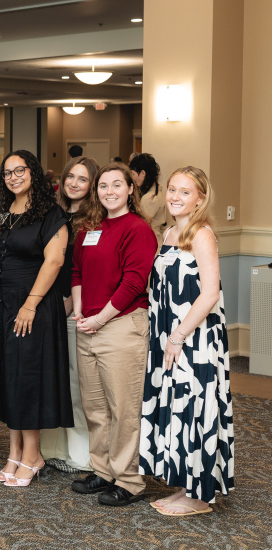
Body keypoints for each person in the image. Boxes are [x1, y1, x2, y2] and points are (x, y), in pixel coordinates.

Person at [140, 166, 234, 516]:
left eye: (185, 191)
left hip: (195, 338)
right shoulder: (167, 234)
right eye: (171, 189)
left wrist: (178, 336)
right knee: (178, 408)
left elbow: (209, 294)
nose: (175, 197)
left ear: (200, 198)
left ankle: (200, 496)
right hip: (169, 335)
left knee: (196, 407)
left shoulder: (201, 234)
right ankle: (186, 486)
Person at [0, 149, 72, 488]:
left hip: (31, 304)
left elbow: (54, 262)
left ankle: (33, 454)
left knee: (26, 378)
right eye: (7, 172)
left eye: (20, 170)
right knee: (6, 376)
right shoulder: (1, 211)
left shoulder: (51, 213)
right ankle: (14, 451)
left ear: (33, 172)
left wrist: (30, 304)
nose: (13, 177)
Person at [70, 163, 157, 506]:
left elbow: (134, 282)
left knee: (123, 408)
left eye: (116, 185)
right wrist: (79, 310)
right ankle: (103, 470)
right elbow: (76, 271)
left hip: (120, 326)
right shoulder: (89, 228)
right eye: (103, 186)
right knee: (95, 407)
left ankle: (130, 480)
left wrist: (100, 318)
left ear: (130, 190)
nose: (109, 191)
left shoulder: (138, 229)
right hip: (87, 325)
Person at [41, 156, 99, 475]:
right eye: (70, 177)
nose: (74, 184)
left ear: (92, 185)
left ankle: (80, 455)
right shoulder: (53, 215)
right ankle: (52, 449)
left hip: (76, 311)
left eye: (82, 179)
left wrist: (69, 306)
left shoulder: (95, 221)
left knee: (76, 386)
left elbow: (89, 273)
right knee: (52, 380)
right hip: (49, 307)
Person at [129, 153, 165, 241]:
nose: (132, 178)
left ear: (143, 173)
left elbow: (141, 224)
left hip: (150, 239)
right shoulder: (158, 190)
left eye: (133, 174)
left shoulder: (149, 198)